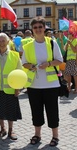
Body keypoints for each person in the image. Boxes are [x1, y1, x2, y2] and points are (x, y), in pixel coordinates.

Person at [22, 16, 63, 147]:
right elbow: (24, 63)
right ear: (32, 29)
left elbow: (60, 60)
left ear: (44, 28)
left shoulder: (51, 42)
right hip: (34, 84)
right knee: (36, 111)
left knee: (52, 111)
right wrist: (32, 66)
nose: (38, 29)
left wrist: (49, 64)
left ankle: (55, 136)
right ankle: (37, 134)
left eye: (40, 27)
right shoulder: (27, 46)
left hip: (51, 84)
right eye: (35, 27)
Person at [0, 33, 22, 140]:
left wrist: (17, 88)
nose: (1, 43)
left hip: (10, 88)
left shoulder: (15, 55)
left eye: (3, 41)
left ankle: (11, 130)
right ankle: (3, 129)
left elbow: (19, 73)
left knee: (11, 111)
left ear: (7, 42)